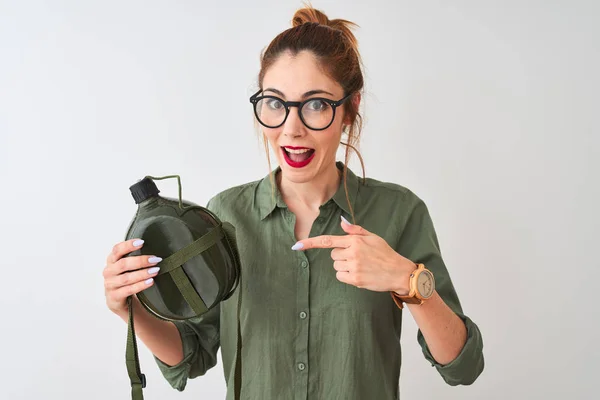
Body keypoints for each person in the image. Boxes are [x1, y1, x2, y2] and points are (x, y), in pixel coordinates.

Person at [103, 6, 484, 399]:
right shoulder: (225, 214)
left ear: (350, 109)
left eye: (316, 104)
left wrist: (408, 281)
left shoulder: (400, 213)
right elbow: (193, 353)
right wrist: (131, 310)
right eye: (275, 103)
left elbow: (463, 366)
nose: (291, 128)